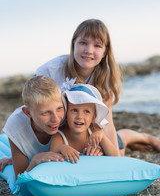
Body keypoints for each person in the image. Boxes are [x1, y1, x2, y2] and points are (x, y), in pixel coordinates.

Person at [36, 18, 160, 156]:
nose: (89, 50)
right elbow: (35, 115)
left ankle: (146, 138)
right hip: (61, 134)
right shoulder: (50, 71)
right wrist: (22, 153)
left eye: (97, 46)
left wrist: (114, 154)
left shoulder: (105, 76)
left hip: (89, 131)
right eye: (83, 43)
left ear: (105, 51)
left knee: (118, 148)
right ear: (73, 45)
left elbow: (107, 122)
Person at [0, 76, 65, 179]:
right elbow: (20, 181)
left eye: (59, 108)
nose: (56, 119)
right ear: (28, 112)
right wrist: (34, 161)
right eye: (45, 113)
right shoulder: (16, 128)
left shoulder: (68, 114)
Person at [50, 83, 119, 163]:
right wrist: (61, 148)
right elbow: (52, 160)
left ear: (94, 117)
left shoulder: (94, 131)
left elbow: (116, 156)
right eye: (74, 110)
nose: (79, 116)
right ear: (66, 113)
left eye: (86, 111)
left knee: (122, 140)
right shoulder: (59, 136)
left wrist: (102, 136)